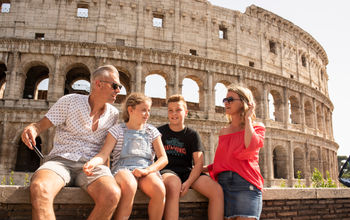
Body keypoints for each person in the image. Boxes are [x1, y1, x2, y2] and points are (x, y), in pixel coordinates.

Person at [21, 65, 123, 220]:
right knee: (39, 188)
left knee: (112, 195)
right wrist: (32, 129)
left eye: (120, 86)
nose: (118, 90)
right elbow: (40, 125)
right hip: (60, 161)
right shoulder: (69, 101)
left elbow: (106, 151)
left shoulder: (114, 114)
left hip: (91, 166)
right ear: (98, 83)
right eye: (115, 85)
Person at [83, 92, 168, 220]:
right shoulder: (117, 130)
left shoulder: (152, 131)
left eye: (148, 110)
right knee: (129, 185)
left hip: (146, 169)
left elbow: (163, 158)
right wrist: (92, 163)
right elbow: (104, 154)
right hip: (123, 169)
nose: (147, 114)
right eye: (143, 110)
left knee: (159, 189)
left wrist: (147, 170)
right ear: (130, 110)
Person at [158, 94, 224, 220]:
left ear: (186, 112)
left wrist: (188, 183)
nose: (174, 113)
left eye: (178, 110)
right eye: (170, 110)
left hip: (188, 172)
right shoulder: (160, 132)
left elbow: (198, 163)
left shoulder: (192, 134)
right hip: (168, 170)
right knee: (173, 186)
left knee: (217, 190)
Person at [206, 85, 265, 220]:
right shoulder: (223, 131)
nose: (226, 102)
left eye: (231, 99)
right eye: (225, 99)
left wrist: (248, 119)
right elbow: (223, 160)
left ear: (244, 102)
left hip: (246, 184)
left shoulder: (257, 127)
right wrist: (202, 169)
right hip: (223, 185)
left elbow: (250, 148)